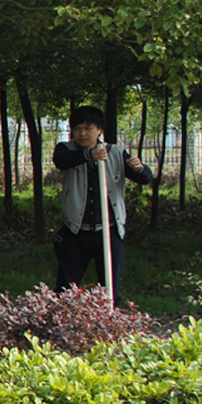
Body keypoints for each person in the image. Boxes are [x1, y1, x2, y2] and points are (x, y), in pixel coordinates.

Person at [53, 106, 153, 306]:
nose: (82, 133)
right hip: (76, 231)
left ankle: (110, 326)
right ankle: (59, 328)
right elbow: (61, 161)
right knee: (65, 290)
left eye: (88, 128)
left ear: (99, 130)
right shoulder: (66, 149)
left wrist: (139, 168)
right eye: (78, 128)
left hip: (109, 231)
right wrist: (90, 155)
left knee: (110, 289)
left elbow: (146, 178)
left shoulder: (115, 152)